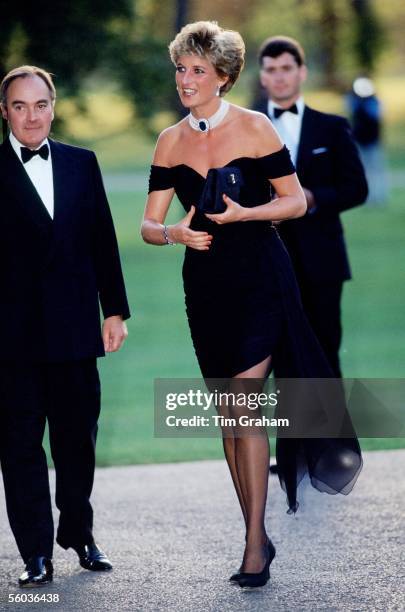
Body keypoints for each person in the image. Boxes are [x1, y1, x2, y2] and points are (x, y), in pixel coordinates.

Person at [142, 21, 362, 589]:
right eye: (180, 69)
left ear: (224, 76)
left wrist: (244, 215)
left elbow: (291, 204)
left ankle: (252, 551)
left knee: (244, 407)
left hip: (263, 277)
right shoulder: (170, 140)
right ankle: (256, 531)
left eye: (196, 71)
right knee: (228, 417)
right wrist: (175, 236)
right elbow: (148, 224)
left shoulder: (256, 126)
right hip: (206, 288)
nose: (185, 80)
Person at [0, 66, 130, 587]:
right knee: (20, 447)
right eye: (19, 106)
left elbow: (103, 239)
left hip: (76, 329)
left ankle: (78, 532)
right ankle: (35, 553)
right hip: (11, 338)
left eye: (40, 104)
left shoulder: (82, 163)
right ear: (4, 111)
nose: (31, 116)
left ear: (54, 106)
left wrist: (114, 310)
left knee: (78, 443)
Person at [254, 36, 368, 378]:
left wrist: (312, 197)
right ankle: (293, 432)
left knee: (324, 354)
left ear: (302, 72)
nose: (279, 77)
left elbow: (356, 188)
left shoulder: (331, 128)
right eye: (271, 70)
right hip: (267, 261)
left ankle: (332, 433)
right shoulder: (244, 129)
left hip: (322, 260)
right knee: (277, 359)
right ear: (261, 76)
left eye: (287, 68)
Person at [347, 77, 388, 206]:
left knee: (376, 169)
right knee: (363, 170)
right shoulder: (355, 101)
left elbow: (374, 116)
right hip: (360, 141)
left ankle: (380, 196)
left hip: (372, 141)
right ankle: (367, 196)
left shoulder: (373, 102)